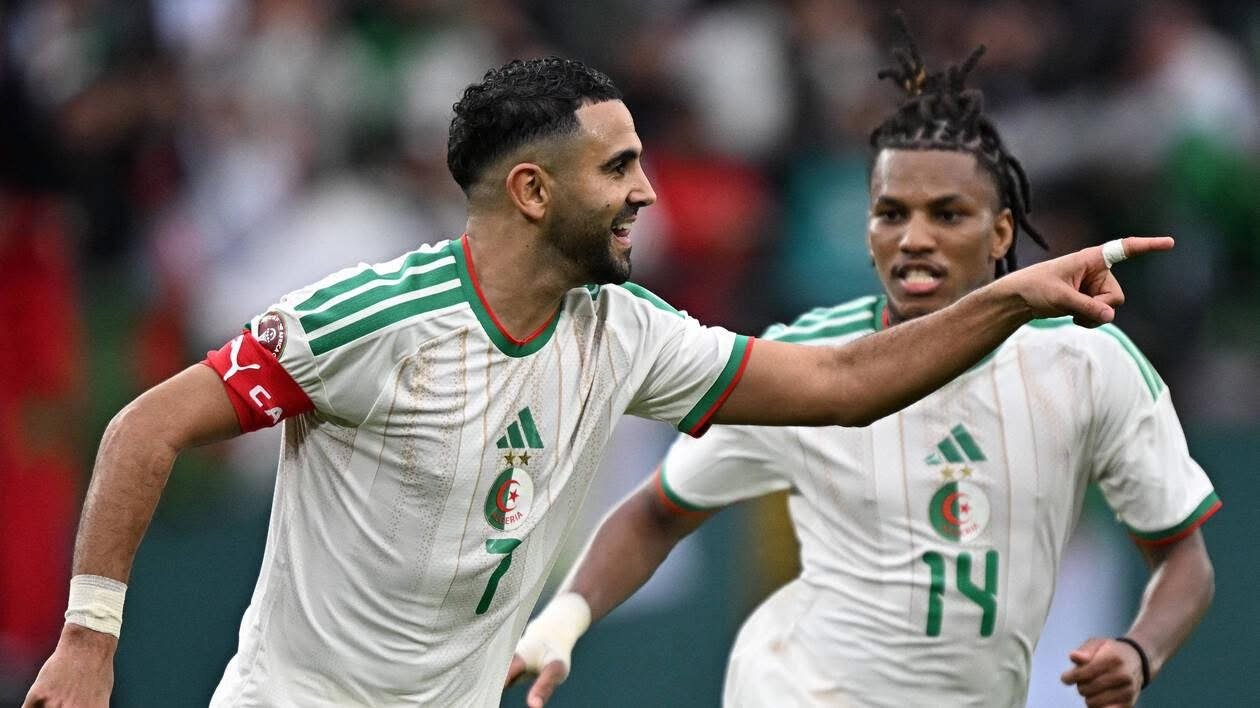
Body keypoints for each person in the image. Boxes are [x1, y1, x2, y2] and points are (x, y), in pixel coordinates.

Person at [26, 56, 1170, 708]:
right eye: (619, 167)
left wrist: (1009, 300)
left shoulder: (627, 332)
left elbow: (840, 382)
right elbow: (145, 427)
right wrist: (89, 639)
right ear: (532, 191)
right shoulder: (373, 321)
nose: (647, 193)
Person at [508, 31, 1216, 708]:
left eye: (947, 214)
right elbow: (657, 512)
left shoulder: (1086, 362)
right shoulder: (801, 362)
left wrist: (1139, 651)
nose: (914, 238)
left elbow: (1183, 559)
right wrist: (563, 619)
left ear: (1001, 232)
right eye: (891, 214)